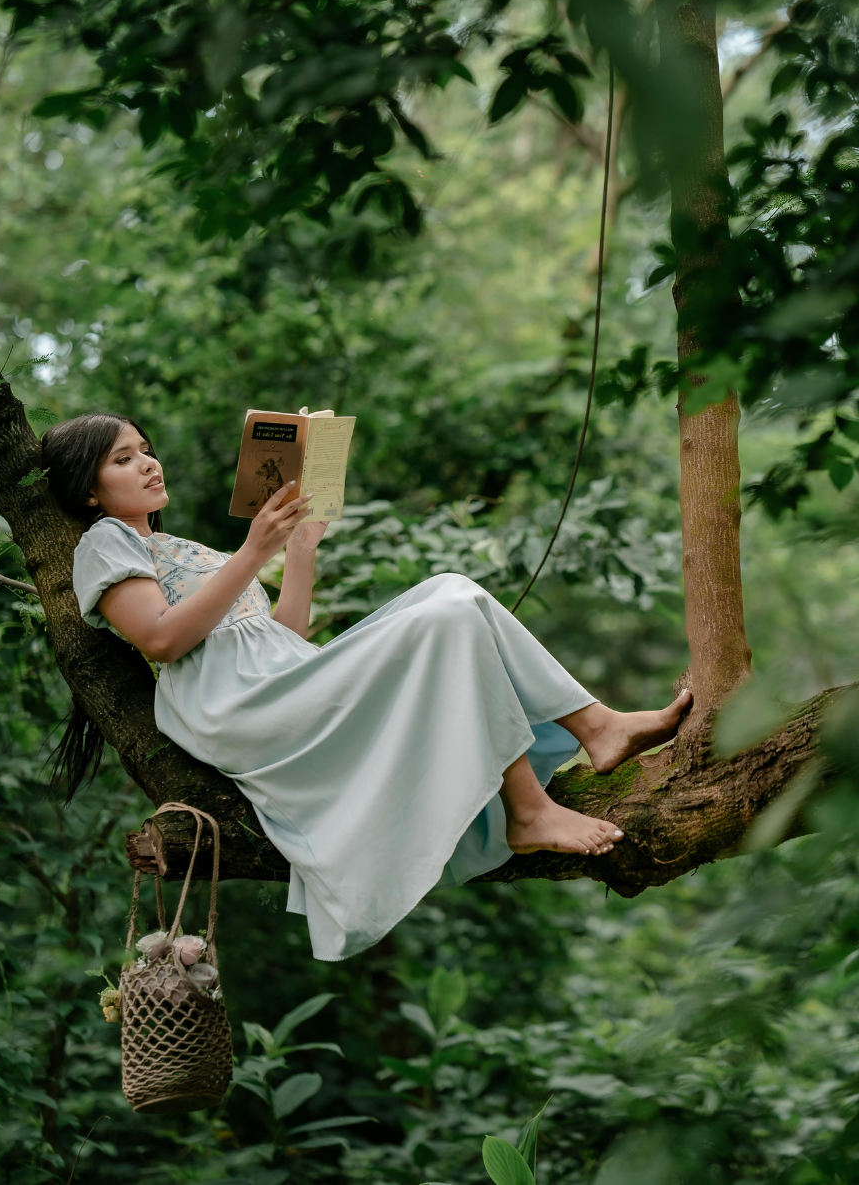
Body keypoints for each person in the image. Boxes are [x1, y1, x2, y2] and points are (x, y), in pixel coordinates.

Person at [45, 412, 692, 963]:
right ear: (89, 492)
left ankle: (596, 728)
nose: (148, 464)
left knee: (452, 592)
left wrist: (300, 549)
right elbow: (161, 639)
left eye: (146, 450)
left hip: (284, 678)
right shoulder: (102, 543)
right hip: (237, 706)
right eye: (123, 459)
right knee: (446, 614)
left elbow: (281, 637)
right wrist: (253, 552)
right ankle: (530, 808)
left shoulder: (177, 546)